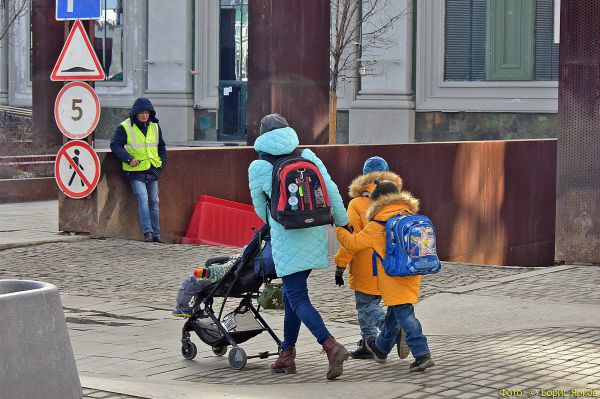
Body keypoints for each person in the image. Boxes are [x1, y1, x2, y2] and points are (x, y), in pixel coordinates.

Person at [248, 113, 352, 380]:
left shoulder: (258, 167)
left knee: (296, 297)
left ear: (262, 135)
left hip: (287, 237)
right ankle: (287, 354)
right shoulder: (307, 156)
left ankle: (330, 345)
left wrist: (279, 220)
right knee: (292, 295)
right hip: (314, 233)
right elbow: (332, 191)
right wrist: (343, 222)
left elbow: (262, 210)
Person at [336, 180, 435, 372]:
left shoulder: (378, 224)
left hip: (392, 277)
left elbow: (352, 243)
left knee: (405, 315)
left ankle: (422, 354)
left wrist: (340, 229)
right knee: (393, 315)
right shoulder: (410, 215)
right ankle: (381, 349)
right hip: (412, 273)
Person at [334, 156, 409, 360]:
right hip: (392, 264)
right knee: (374, 303)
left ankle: (389, 328)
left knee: (365, 305)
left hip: (367, 265)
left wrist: (340, 265)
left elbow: (351, 238)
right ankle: (370, 344)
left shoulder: (357, 204)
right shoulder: (399, 202)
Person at [110, 98, 166, 243]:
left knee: (154, 202)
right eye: (141, 112)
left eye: (147, 112)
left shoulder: (155, 127)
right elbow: (115, 145)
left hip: (153, 169)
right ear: (135, 113)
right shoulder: (125, 127)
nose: (144, 115)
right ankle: (147, 232)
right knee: (143, 199)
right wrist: (128, 159)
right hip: (135, 171)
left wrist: (161, 164)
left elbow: (161, 147)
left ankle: (156, 235)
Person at [172, 255, 241, 318]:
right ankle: (196, 307)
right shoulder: (249, 256)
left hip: (226, 281)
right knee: (199, 284)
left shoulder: (245, 255)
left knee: (192, 281)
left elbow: (222, 271)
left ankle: (185, 309)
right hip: (238, 280)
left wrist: (206, 272)